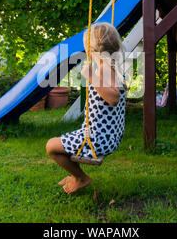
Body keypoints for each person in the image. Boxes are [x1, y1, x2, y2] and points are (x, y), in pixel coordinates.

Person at [46, 22, 126, 194]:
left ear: (91, 50)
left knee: (51, 146)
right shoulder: (114, 68)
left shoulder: (103, 71)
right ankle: (77, 177)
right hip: (111, 137)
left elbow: (113, 98)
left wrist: (91, 76)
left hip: (98, 140)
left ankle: (80, 178)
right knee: (61, 144)